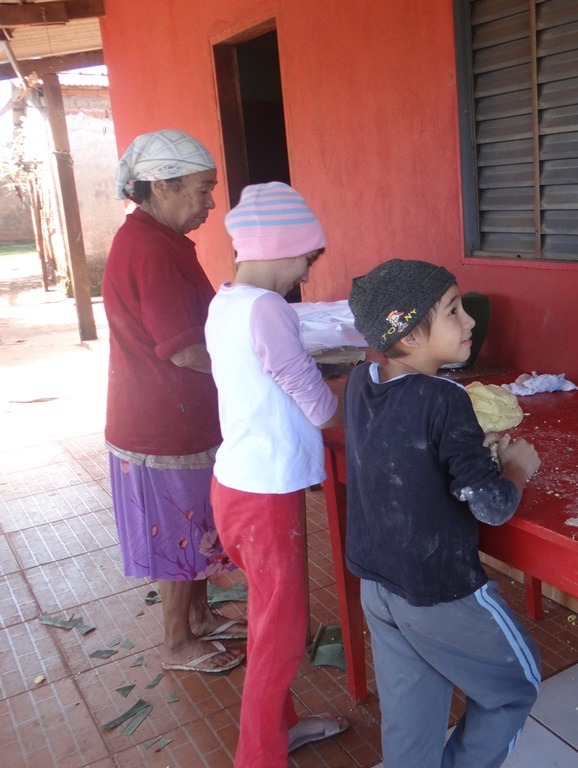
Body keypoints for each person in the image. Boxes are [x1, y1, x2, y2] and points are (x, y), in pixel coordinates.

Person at [344, 258, 543, 768]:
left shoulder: (360, 384)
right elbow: (492, 507)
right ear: (408, 336)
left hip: (379, 585)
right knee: (516, 686)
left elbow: (404, 457)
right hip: (440, 591)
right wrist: (516, 468)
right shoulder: (446, 399)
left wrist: (472, 454)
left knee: (411, 725)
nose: (470, 321)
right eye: (453, 310)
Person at [205, 182, 348, 766]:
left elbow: (272, 377)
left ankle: (280, 728)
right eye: (307, 261)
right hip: (265, 497)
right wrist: (356, 397)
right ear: (285, 249)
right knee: (280, 637)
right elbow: (316, 403)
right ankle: (258, 758)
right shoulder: (268, 309)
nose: (304, 275)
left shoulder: (226, 301)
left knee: (270, 621)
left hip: (236, 485)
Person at [104, 129, 246, 675]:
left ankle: (201, 621)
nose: (211, 203)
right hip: (162, 422)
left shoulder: (158, 241)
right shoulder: (149, 248)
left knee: (196, 528)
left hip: (177, 415)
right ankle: (176, 643)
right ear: (162, 186)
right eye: (203, 189)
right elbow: (184, 350)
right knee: (180, 533)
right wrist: (253, 367)